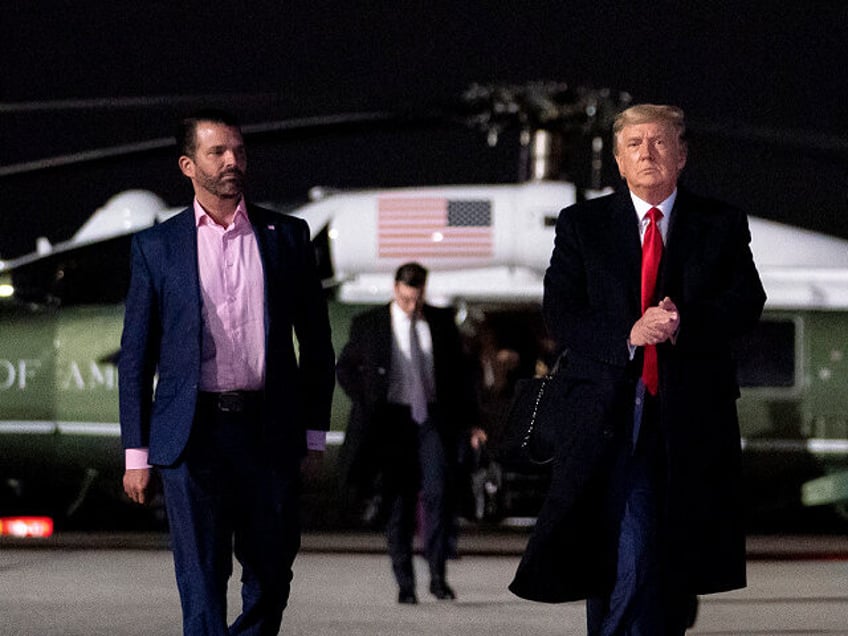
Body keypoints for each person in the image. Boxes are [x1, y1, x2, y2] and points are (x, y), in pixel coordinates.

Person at [509, 104, 766, 635]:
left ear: (682, 154)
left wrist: (682, 324)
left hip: (689, 421)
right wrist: (630, 334)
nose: (647, 153)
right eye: (634, 145)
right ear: (620, 163)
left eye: (659, 142)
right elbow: (561, 311)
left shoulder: (719, 223)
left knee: (660, 561)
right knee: (625, 548)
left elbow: (747, 301)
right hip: (603, 416)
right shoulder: (584, 224)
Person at [119, 108, 335, 635]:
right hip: (192, 436)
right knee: (201, 579)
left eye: (238, 150)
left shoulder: (287, 236)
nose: (233, 161)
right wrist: (137, 452)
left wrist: (312, 435)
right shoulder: (157, 246)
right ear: (188, 165)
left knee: (272, 573)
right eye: (218, 152)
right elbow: (136, 356)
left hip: (269, 431)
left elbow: (317, 344)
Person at [336, 262, 485, 604]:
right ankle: (405, 583)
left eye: (417, 300)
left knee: (437, 493)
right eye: (406, 299)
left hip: (432, 419)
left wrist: (473, 421)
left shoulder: (441, 322)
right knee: (399, 503)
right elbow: (344, 369)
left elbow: (463, 377)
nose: (412, 306)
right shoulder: (370, 325)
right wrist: (367, 400)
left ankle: (437, 577)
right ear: (395, 290)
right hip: (392, 422)